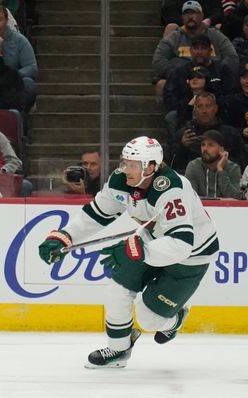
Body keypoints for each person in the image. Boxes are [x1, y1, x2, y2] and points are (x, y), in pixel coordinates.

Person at [38, 136, 219, 368]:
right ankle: (118, 350)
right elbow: (96, 213)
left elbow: (181, 244)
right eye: (125, 163)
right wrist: (64, 237)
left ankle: (174, 319)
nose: (126, 170)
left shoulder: (172, 187)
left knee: (149, 319)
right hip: (151, 242)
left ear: (152, 166)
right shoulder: (121, 181)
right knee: (116, 291)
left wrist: (137, 251)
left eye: (134, 165)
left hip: (192, 255)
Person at [152, 1, 237, 95]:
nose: (190, 17)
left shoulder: (215, 35)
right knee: (161, 84)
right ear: (182, 17)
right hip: (183, 80)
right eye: (186, 13)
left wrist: (217, 72)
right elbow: (158, 60)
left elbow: (232, 57)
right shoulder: (174, 37)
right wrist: (176, 74)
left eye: (194, 13)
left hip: (212, 79)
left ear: (202, 16)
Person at [170, 91, 247, 171]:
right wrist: (182, 146)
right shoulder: (184, 134)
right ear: (194, 110)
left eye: (208, 106)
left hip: (223, 177)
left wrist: (220, 160)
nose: (204, 111)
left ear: (215, 109)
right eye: (200, 106)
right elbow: (169, 163)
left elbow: (243, 162)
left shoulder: (231, 133)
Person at [183, 129, 244, 198]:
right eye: (203, 145)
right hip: (199, 208)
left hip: (226, 209)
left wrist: (221, 170)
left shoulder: (233, 168)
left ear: (221, 150)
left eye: (210, 145)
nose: (205, 149)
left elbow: (236, 198)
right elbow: (189, 196)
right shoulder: (194, 166)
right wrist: (218, 201)